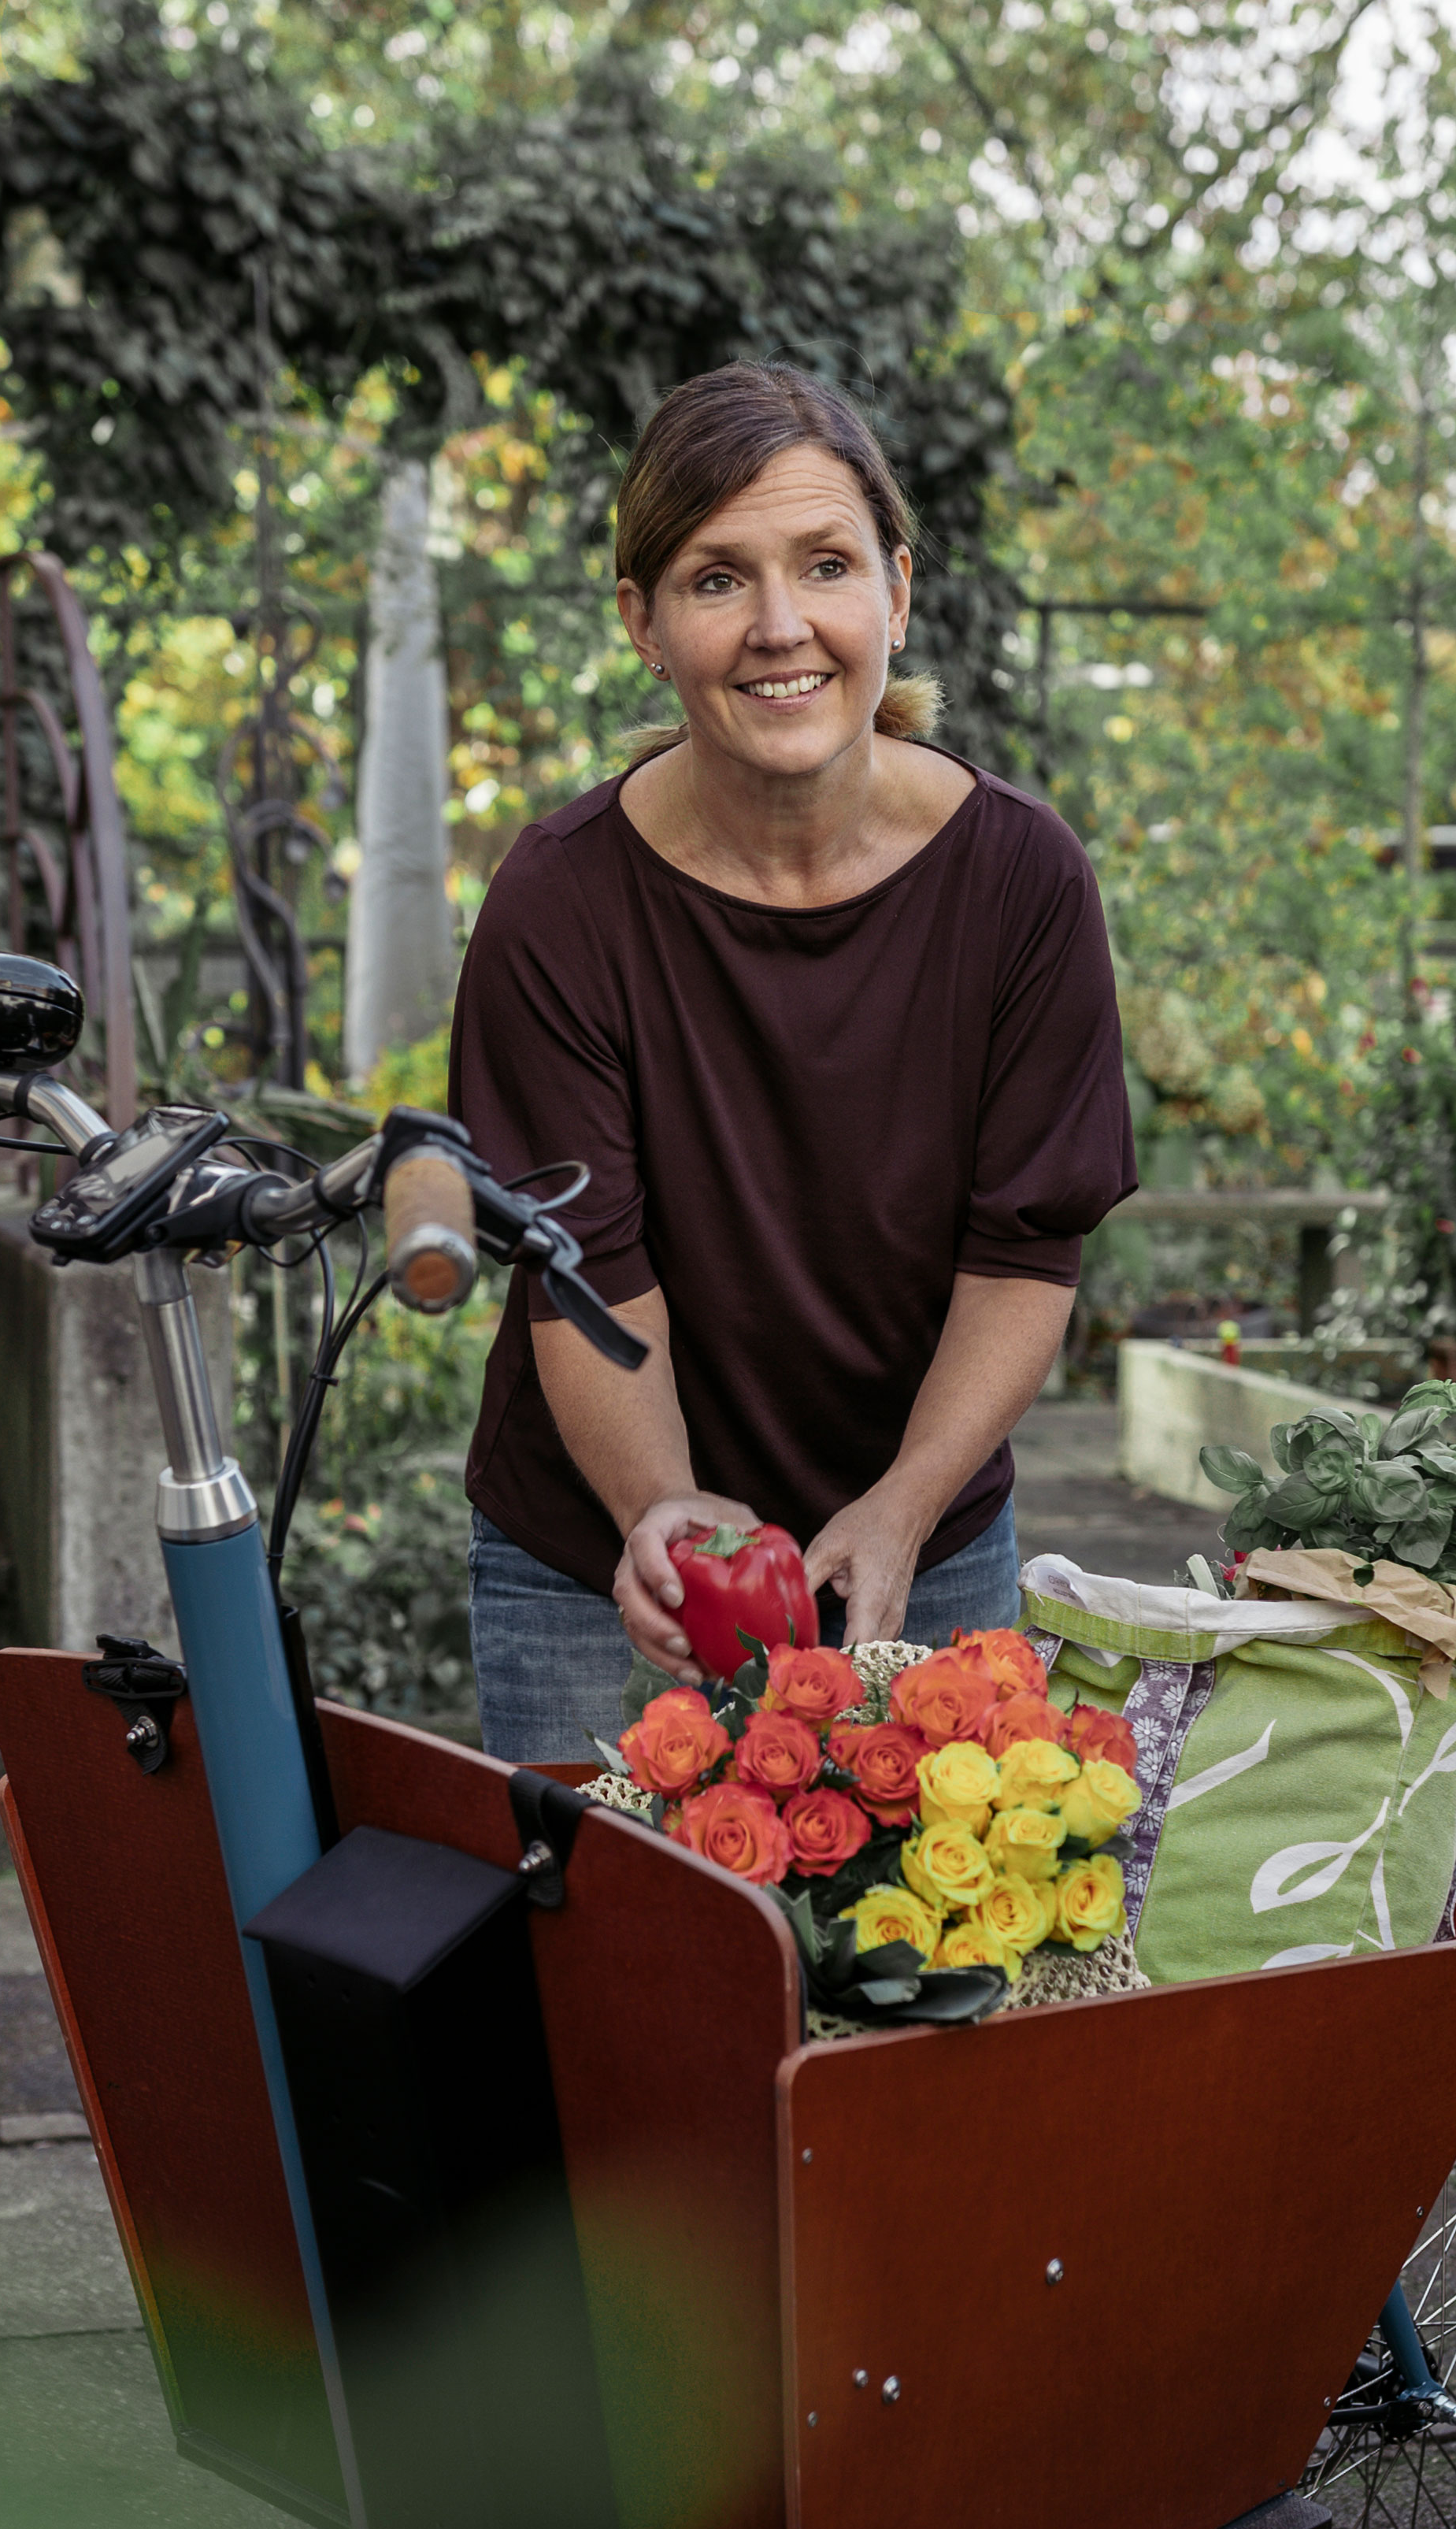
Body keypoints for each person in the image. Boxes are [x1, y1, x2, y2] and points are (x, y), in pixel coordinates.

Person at [453, 362, 1135, 1764]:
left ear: (895, 589)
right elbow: (581, 1271)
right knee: (618, 1978)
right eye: (716, 579)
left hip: (924, 1534)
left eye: (824, 565)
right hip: (604, 1559)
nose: (781, 628)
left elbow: (1023, 1256)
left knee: (917, 1972)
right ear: (641, 621)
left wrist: (905, 1506)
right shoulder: (559, 902)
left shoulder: (1022, 880)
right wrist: (663, 1510)